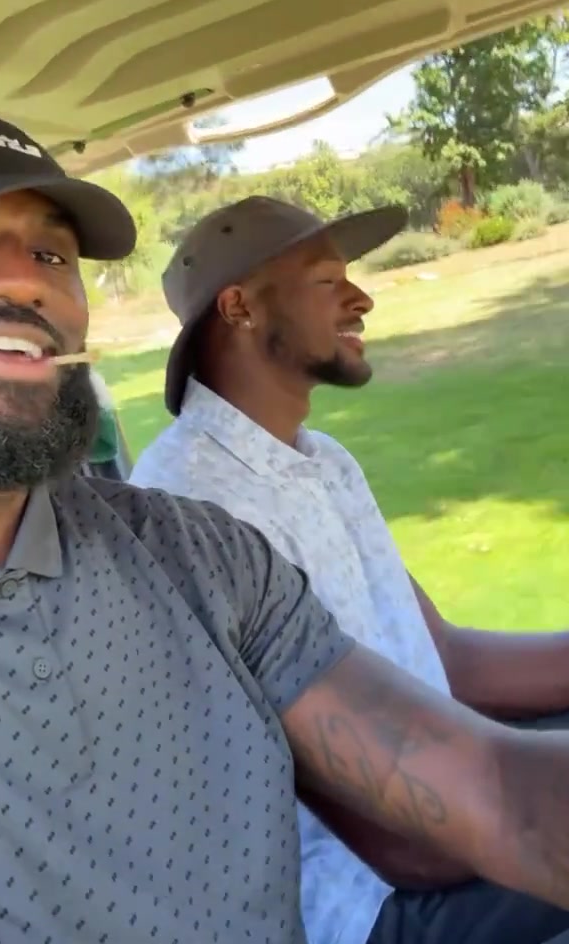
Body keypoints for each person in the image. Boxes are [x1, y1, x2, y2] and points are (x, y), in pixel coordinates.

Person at [131, 195, 569, 944]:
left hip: (443, 801)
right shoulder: (187, 508)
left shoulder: (324, 461)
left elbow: (444, 659)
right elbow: (396, 841)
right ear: (239, 307)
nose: (361, 299)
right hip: (365, 894)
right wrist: (514, 805)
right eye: (327, 281)